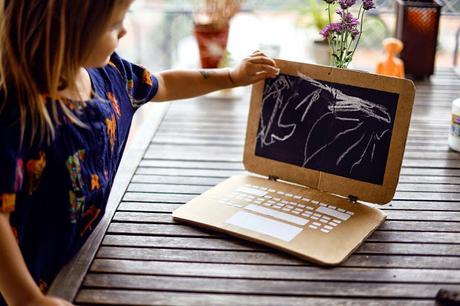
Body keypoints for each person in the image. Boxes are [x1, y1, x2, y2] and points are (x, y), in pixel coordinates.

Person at [0, 1, 279, 305]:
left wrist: (231, 76)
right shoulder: (16, 113)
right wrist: (26, 298)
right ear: (64, 30)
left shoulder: (112, 75)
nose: (124, 30)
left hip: (81, 262)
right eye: (112, 25)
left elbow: (165, 84)